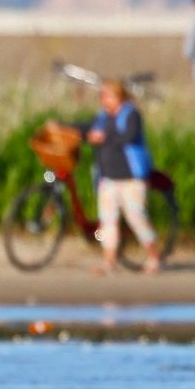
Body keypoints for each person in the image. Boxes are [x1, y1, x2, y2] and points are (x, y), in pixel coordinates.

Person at [74, 79, 162, 275]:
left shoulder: (132, 114)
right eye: (101, 96)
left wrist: (105, 138)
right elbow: (87, 127)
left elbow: (129, 136)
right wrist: (66, 127)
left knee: (136, 217)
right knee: (107, 221)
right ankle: (109, 262)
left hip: (131, 178)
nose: (103, 99)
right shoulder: (103, 117)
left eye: (106, 95)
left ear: (118, 96)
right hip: (108, 177)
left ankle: (153, 257)